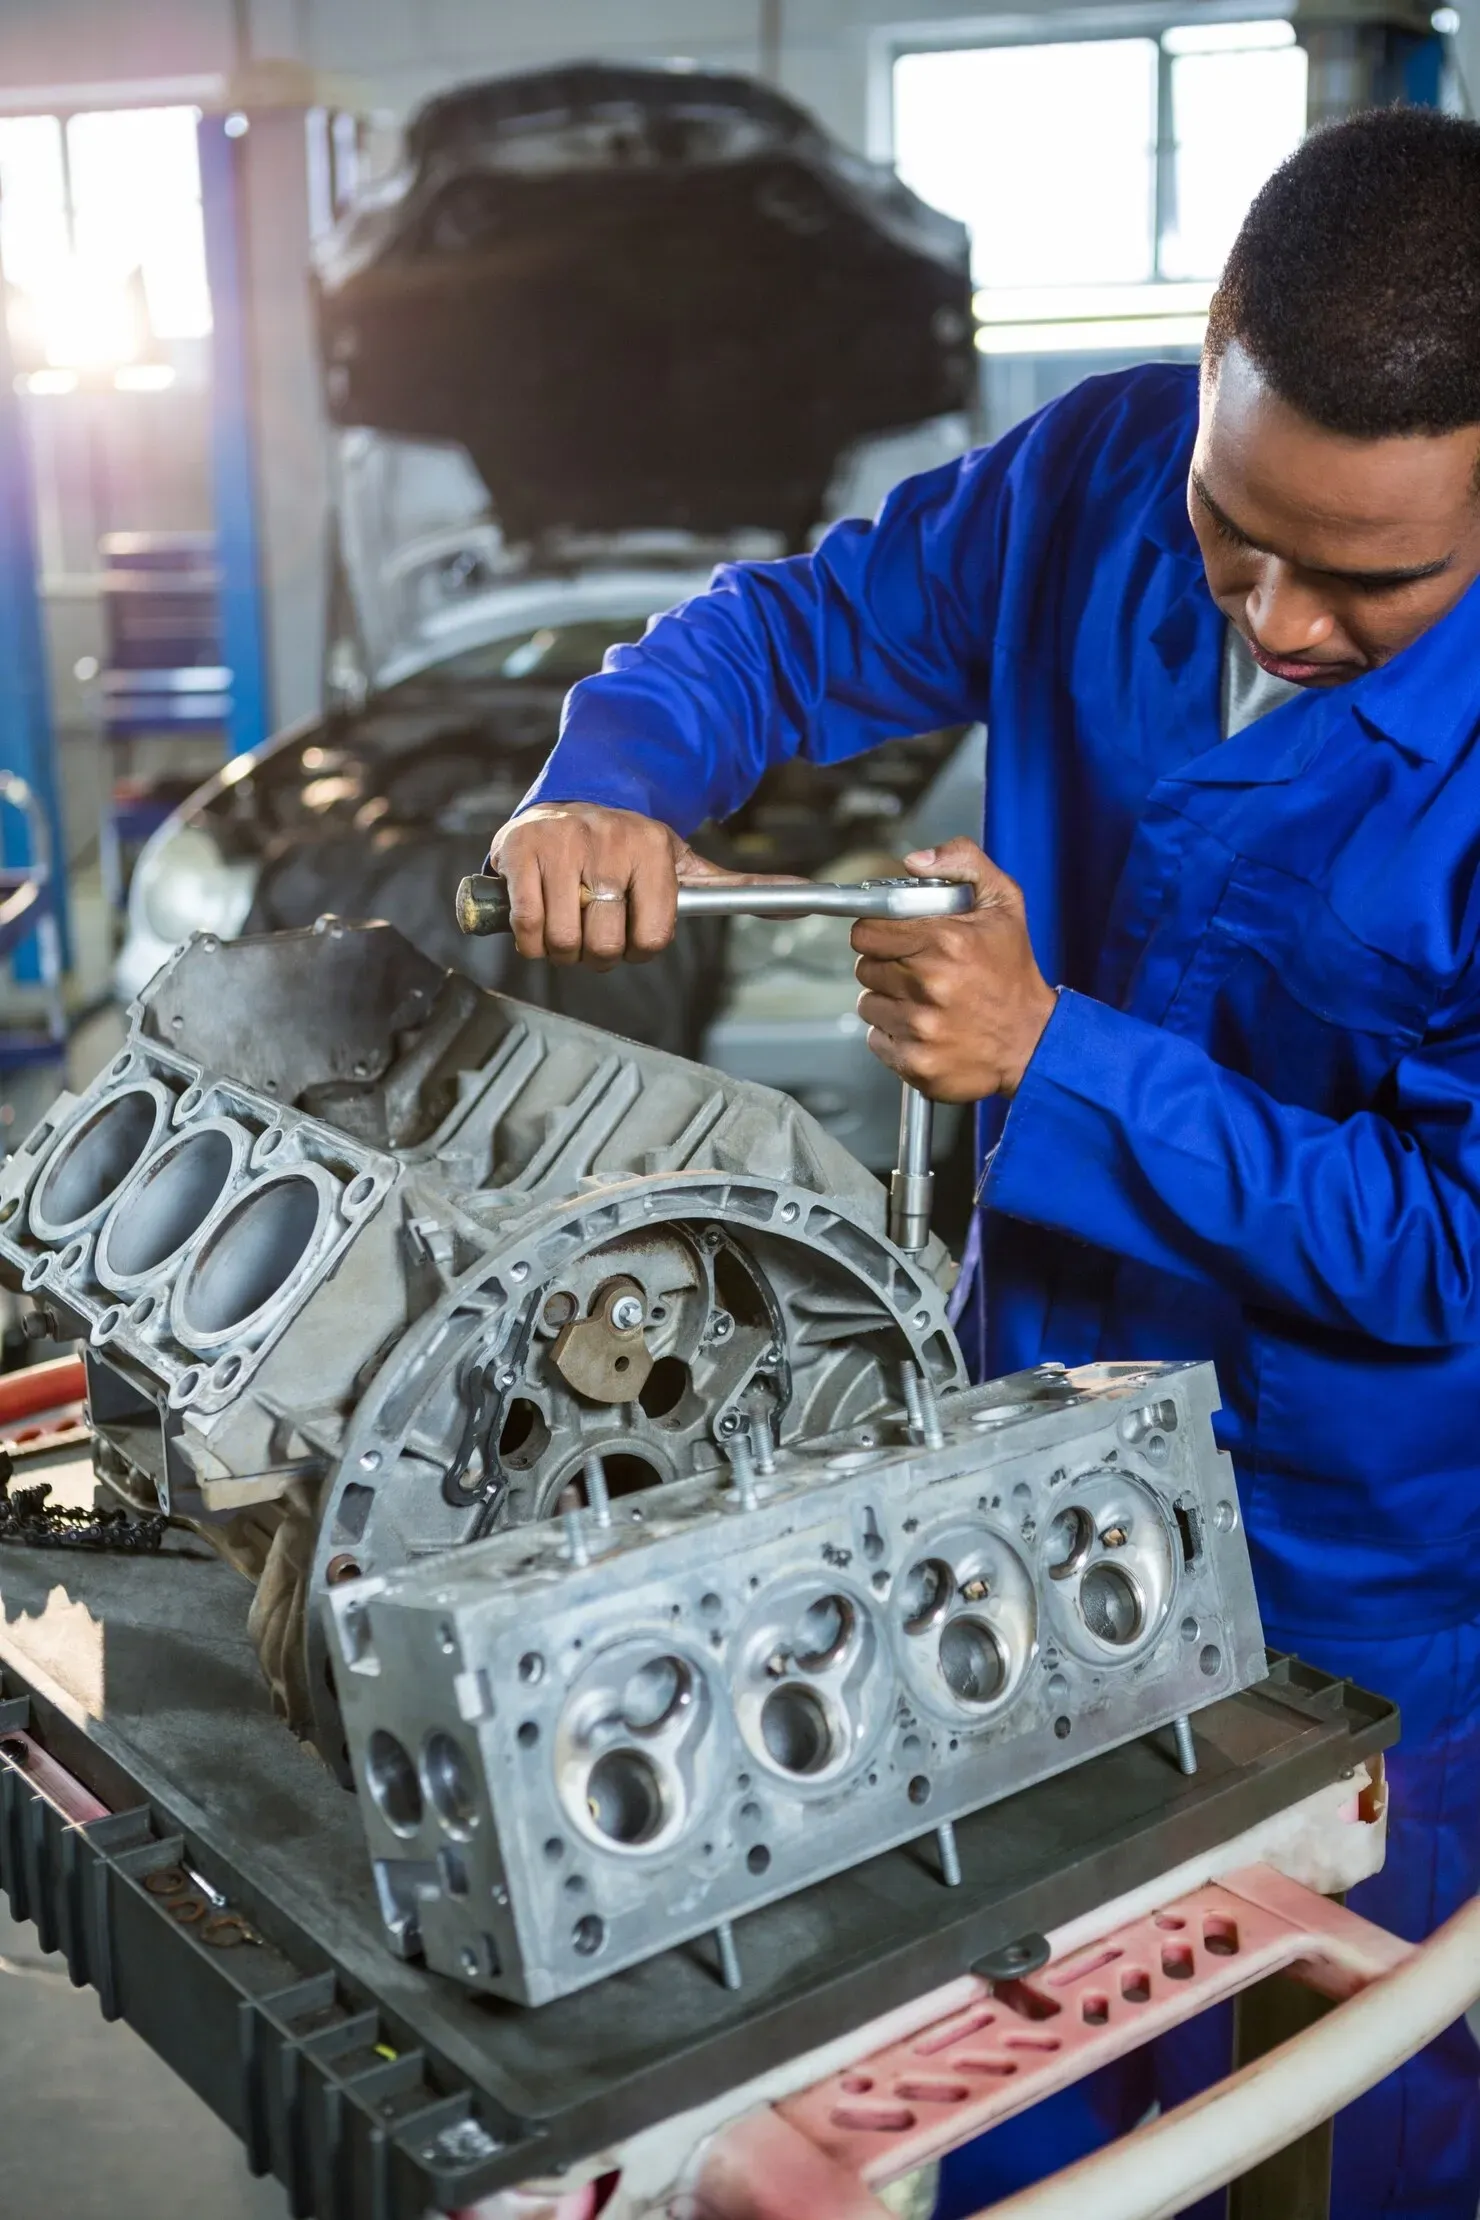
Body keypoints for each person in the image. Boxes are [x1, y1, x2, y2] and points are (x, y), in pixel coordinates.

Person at [488, 108, 1480, 2217]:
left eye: (1372, 580)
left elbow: (1448, 1248)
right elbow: (780, 637)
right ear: (1204, 357)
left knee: (1332, 2091)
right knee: (985, 2035)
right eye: (1238, 540)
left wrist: (1050, 1060)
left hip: (1370, 1555)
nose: (1281, 617)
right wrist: (612, 777)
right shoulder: (1094, 476)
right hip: (1015, 1440)